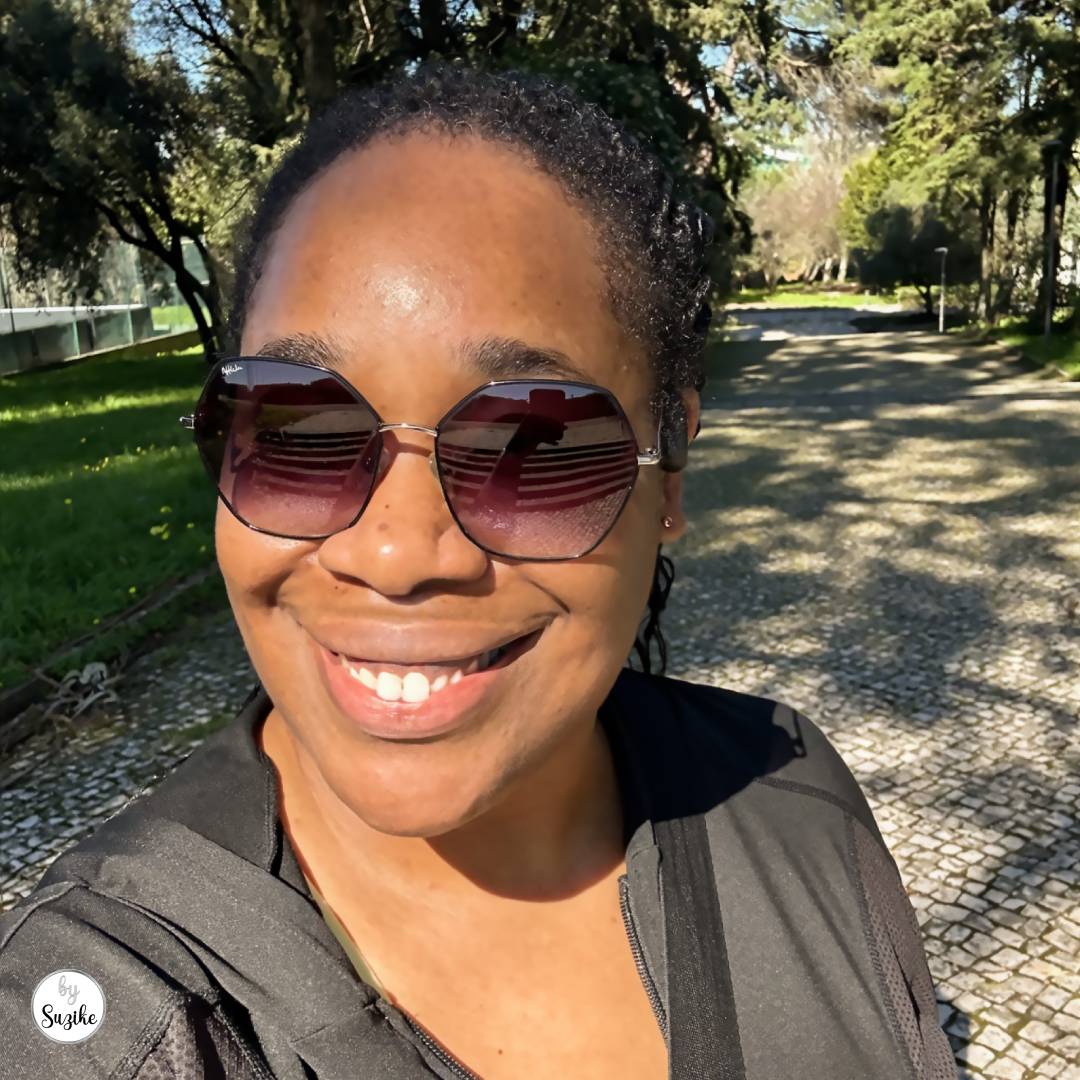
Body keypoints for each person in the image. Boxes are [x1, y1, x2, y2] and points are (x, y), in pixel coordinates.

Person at [0, 64, 957, 1080]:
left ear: (668, 474)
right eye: (297, 429)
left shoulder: (790, 798)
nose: (396, 553)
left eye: (536, 446)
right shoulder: (98, 1014)